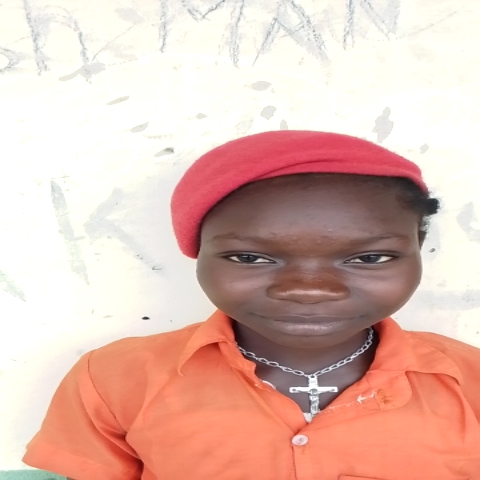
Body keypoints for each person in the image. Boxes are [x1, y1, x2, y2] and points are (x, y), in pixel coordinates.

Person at [23, 131, 480, 479]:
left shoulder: (470, 379)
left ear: (417, 250)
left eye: (369, 258)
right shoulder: (114, 378)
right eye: (250, 258)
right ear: (197, 252)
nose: (309, 289)